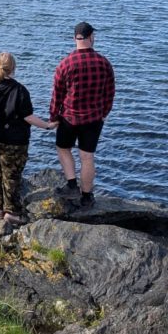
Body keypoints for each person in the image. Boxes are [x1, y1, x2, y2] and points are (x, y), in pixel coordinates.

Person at [0, 53, 57, 225]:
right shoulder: (19, 90)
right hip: (13, 141)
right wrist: (48, 125)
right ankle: (12, 212)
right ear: (13, 68)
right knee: (11, 174)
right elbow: (28, 117)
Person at [50, 21, 115, 207]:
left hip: (69, 118)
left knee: (63, 149)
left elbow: (57, 95)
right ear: (91, 37)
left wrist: (54, 117)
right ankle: (87, 196)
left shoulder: (65, 64)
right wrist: (104, 113)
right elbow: (110, 92)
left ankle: (71, 185)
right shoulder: (104, 63)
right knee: (87, 157)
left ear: (75, 38)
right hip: (94, 118)